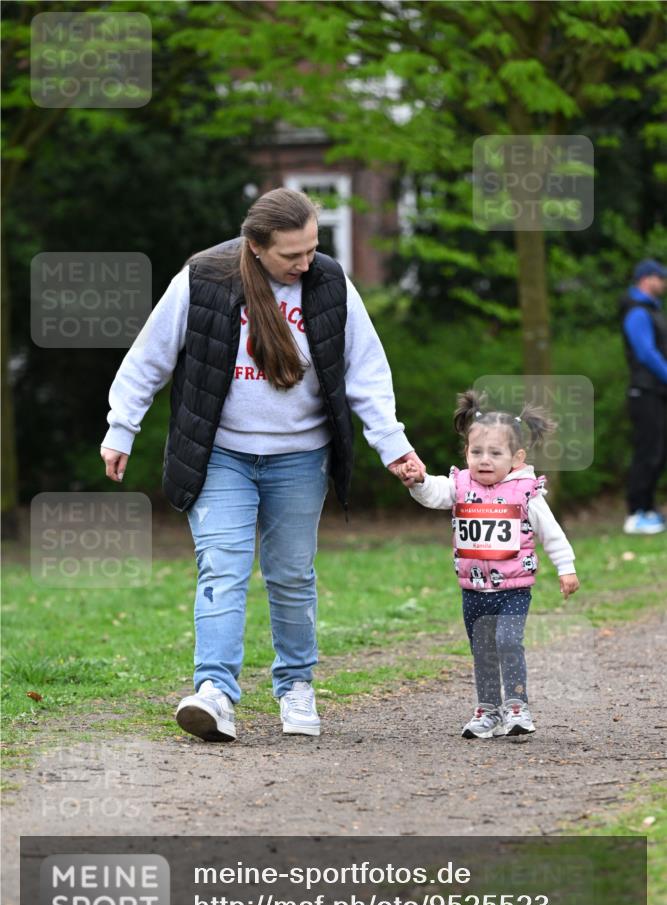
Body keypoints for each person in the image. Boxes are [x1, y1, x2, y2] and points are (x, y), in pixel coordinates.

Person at [100, 187, 424, 743]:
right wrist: (121, 426)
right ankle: (215, 693)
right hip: (220, 454)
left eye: (311, 249)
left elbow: (366, 371)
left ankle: (296, 686)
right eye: (290, 255)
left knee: (292, 576)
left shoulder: (328, 283)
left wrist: (392, 445)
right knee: (222, 569)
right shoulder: (204, 279)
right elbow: (149, 356)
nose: (305, 263)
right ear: (254, 247)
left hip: (300, 457)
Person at [396, 390, 579, 740]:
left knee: (508, 642)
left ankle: (516, 705)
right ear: (466, 452)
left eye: (495, 453)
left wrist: (565, 567)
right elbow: (434, 494)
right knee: (482, 651)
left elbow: (551, 533)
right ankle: (489, 710)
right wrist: (418, 481)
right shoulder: (460, 484)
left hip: (514, 588)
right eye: (475, 452)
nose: (483, 460)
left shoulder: (525, 491)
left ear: (516, 457)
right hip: (474, 590)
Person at [620, 258, 667, 535]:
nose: (663, 283)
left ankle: (648, 510)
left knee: (659, 451)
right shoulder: (637, 312)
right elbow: (646, 353)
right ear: (647, 279)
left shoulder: (652, 310)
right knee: (648, 450)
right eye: (660, 278)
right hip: (645, 390)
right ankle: (635, 513)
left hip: (658, 391)